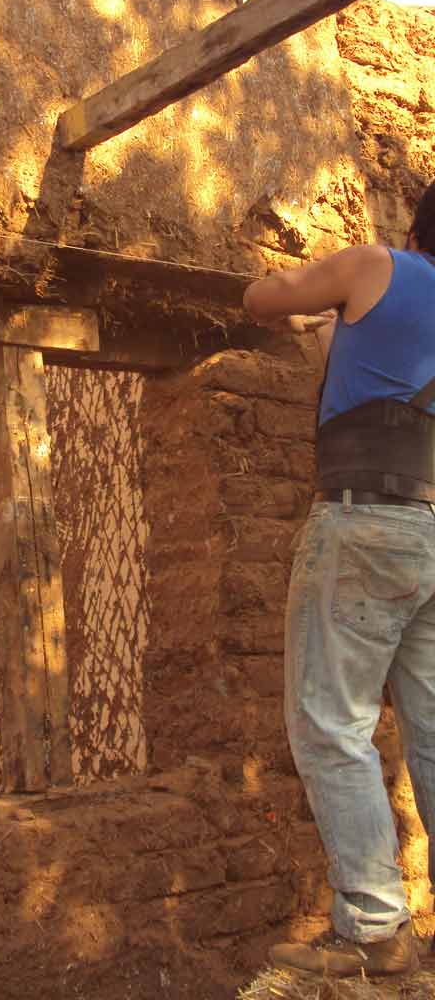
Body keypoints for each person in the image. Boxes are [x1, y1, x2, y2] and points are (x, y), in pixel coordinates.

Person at [242, 180, 435, 979]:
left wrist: (310, 304)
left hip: (365, 523)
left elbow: (261, 297)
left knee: (331, 724)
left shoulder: (374, 265)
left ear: (416, 230)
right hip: (431, 527)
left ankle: (375, 928)